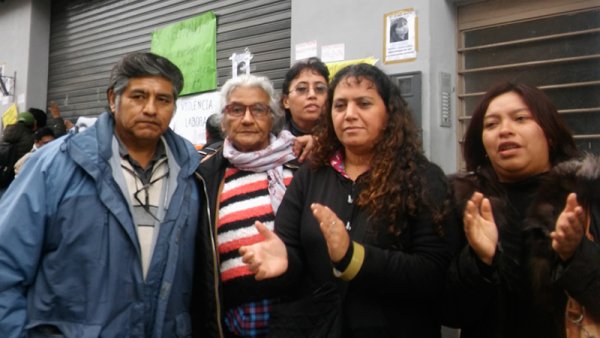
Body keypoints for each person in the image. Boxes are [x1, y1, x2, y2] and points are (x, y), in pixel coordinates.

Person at [239, 63, 459, 337]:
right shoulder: (312, 175)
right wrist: (284, 261)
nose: (350, 115)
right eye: (340, 106)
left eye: (364, 104)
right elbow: (292, 250)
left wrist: (354, 257)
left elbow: (433, 273)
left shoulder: (423, 178)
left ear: (389, 113)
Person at [0, 52, 201, 337]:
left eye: (163, 100)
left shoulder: (191, 174)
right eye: (139, 96)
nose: (151, 109)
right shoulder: (56, 164)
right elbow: (5, 266)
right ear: (112, 99)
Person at [442, 82, 582, 338]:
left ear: (549, 133)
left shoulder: (584, 197)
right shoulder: (464, 203)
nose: (505, 131)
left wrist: (577, 255)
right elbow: (451, 313)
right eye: (492, 124)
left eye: (520, 119)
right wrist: (479, 262)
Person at [193, 74, 298, 337]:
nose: (248, 119)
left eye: (258, 109)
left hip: (300, 307)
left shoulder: (299, 165)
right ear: (223, 119)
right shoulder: (203, 176)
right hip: (232, 317)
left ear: (272, 117)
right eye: (236, 109)